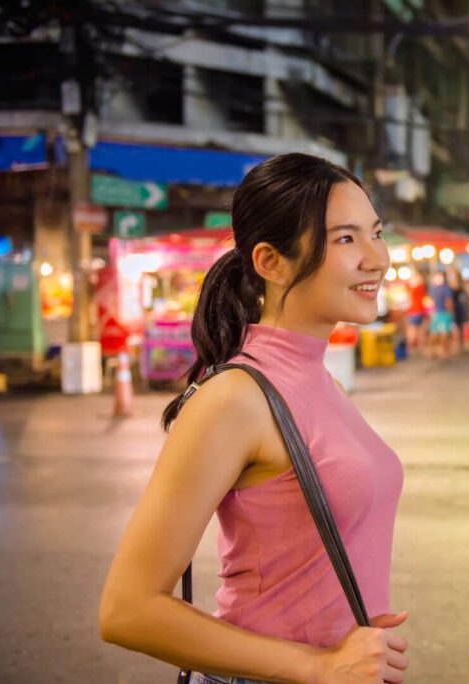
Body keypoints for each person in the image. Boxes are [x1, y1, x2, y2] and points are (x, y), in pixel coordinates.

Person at [99, 154, 410, 684]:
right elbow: (127, 610)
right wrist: (321, 665)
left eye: (376, 233)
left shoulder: (320, 379)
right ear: (271, 261)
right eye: (345, 239)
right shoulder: (237, 397)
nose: (376, 258)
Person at [427, 270, 455, 359]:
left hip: (435, 313)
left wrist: (430, 312)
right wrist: (451, 312)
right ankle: (444, 350)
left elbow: (429, 302)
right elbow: (448, 301)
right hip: (444, 313)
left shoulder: (433, 289)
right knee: (445, 332)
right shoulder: (445, 288)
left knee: (434, 332)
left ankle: (432, 350)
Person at [405, 271, 428, 353]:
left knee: (413, 330)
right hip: (419, 311)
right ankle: (420, 347)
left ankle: (410, 347)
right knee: (419, 329)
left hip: (414, 311)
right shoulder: (421, 287)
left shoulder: (416, 288)